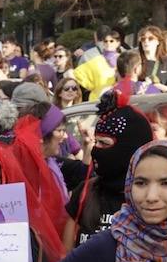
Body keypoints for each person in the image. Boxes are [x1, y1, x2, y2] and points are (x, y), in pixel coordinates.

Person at [66, 91, 154, 245]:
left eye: (104, 143)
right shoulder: (86, 191)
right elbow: (65, 255)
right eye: (96, 142)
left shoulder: (153, 200)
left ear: (129, 149)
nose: (96, 150)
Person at [138, 26, 167, 92]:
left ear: (158, 41)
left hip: (161, 100)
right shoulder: (135, 60)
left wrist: (161, 87)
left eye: (150, 38)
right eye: (143, 39)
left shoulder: (166, 62)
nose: (146, 41)